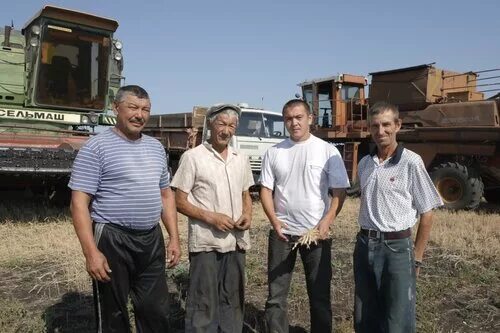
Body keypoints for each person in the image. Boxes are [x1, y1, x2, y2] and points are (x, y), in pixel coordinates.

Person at [69, 85, 181, 333]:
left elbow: (166, 195)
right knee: (114, 313)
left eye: (145, 109)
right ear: (115, 108)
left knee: (156, 311)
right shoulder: (96, 148)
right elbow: (79, 203)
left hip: (151, 239)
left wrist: (174, 237)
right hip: (112, 239)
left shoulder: (155, 147)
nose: (139, 114)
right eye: (133, 107)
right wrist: (91, 253)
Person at [259, 99, 350, 333]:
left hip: (315, 234)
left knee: (319, 295)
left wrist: (327, 221)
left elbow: (339, 191)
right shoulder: (274, 152)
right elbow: (266, 190)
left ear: (310, 118)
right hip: (282, 233)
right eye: (289, 118)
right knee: (276, 295)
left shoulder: (327, 151)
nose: (294, 123)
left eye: (299, 117)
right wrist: (274, 221)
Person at [353, 101, 443, 333]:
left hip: (396, 248)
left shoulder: (410, 162)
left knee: (398, 315)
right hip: (364, 245)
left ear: (398, 125)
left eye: (386, 125)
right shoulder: (365, 164)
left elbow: (427, 212)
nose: (380, 131)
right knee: (365, 312)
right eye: (375, 126)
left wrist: (418, 258)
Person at [170, 103, 254, 332]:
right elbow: (179, 201)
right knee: (203, 304)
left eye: (231, 125)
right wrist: (211, 217)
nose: (226, 130)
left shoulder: (241, 158)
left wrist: (247, 214)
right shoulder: (193, 157)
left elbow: (246, 194)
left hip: (236, 241)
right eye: (221, 124)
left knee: (233, 300)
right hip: (206, 242)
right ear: (211, 125)